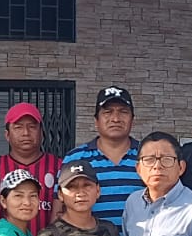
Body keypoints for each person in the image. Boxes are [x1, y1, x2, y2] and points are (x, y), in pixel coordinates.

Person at [62, 86, 144, 228]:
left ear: (133, 120)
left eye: (123, 112)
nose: (115, 119)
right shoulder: (75, 158)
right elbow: (60, 210)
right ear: (96, 121)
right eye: (108, 112)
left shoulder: (148, 157)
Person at [0, 103, 62, 234]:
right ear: (7, 135)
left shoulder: (59, 167)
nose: (26, 133)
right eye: (18, 127)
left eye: (32, 127)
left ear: (41, 133)